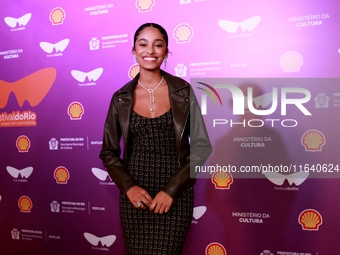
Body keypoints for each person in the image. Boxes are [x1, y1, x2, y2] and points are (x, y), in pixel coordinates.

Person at [99, 23, 212, 255]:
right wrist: (128, 187)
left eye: (158, 45)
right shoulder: (120, 98)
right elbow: (108, 152)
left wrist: (171, 190)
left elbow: (201, 147)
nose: (150, 51)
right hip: (136, 197)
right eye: (143, 44)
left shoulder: (183, 92)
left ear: (166, 52)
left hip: (175, 193)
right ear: (133, 50)